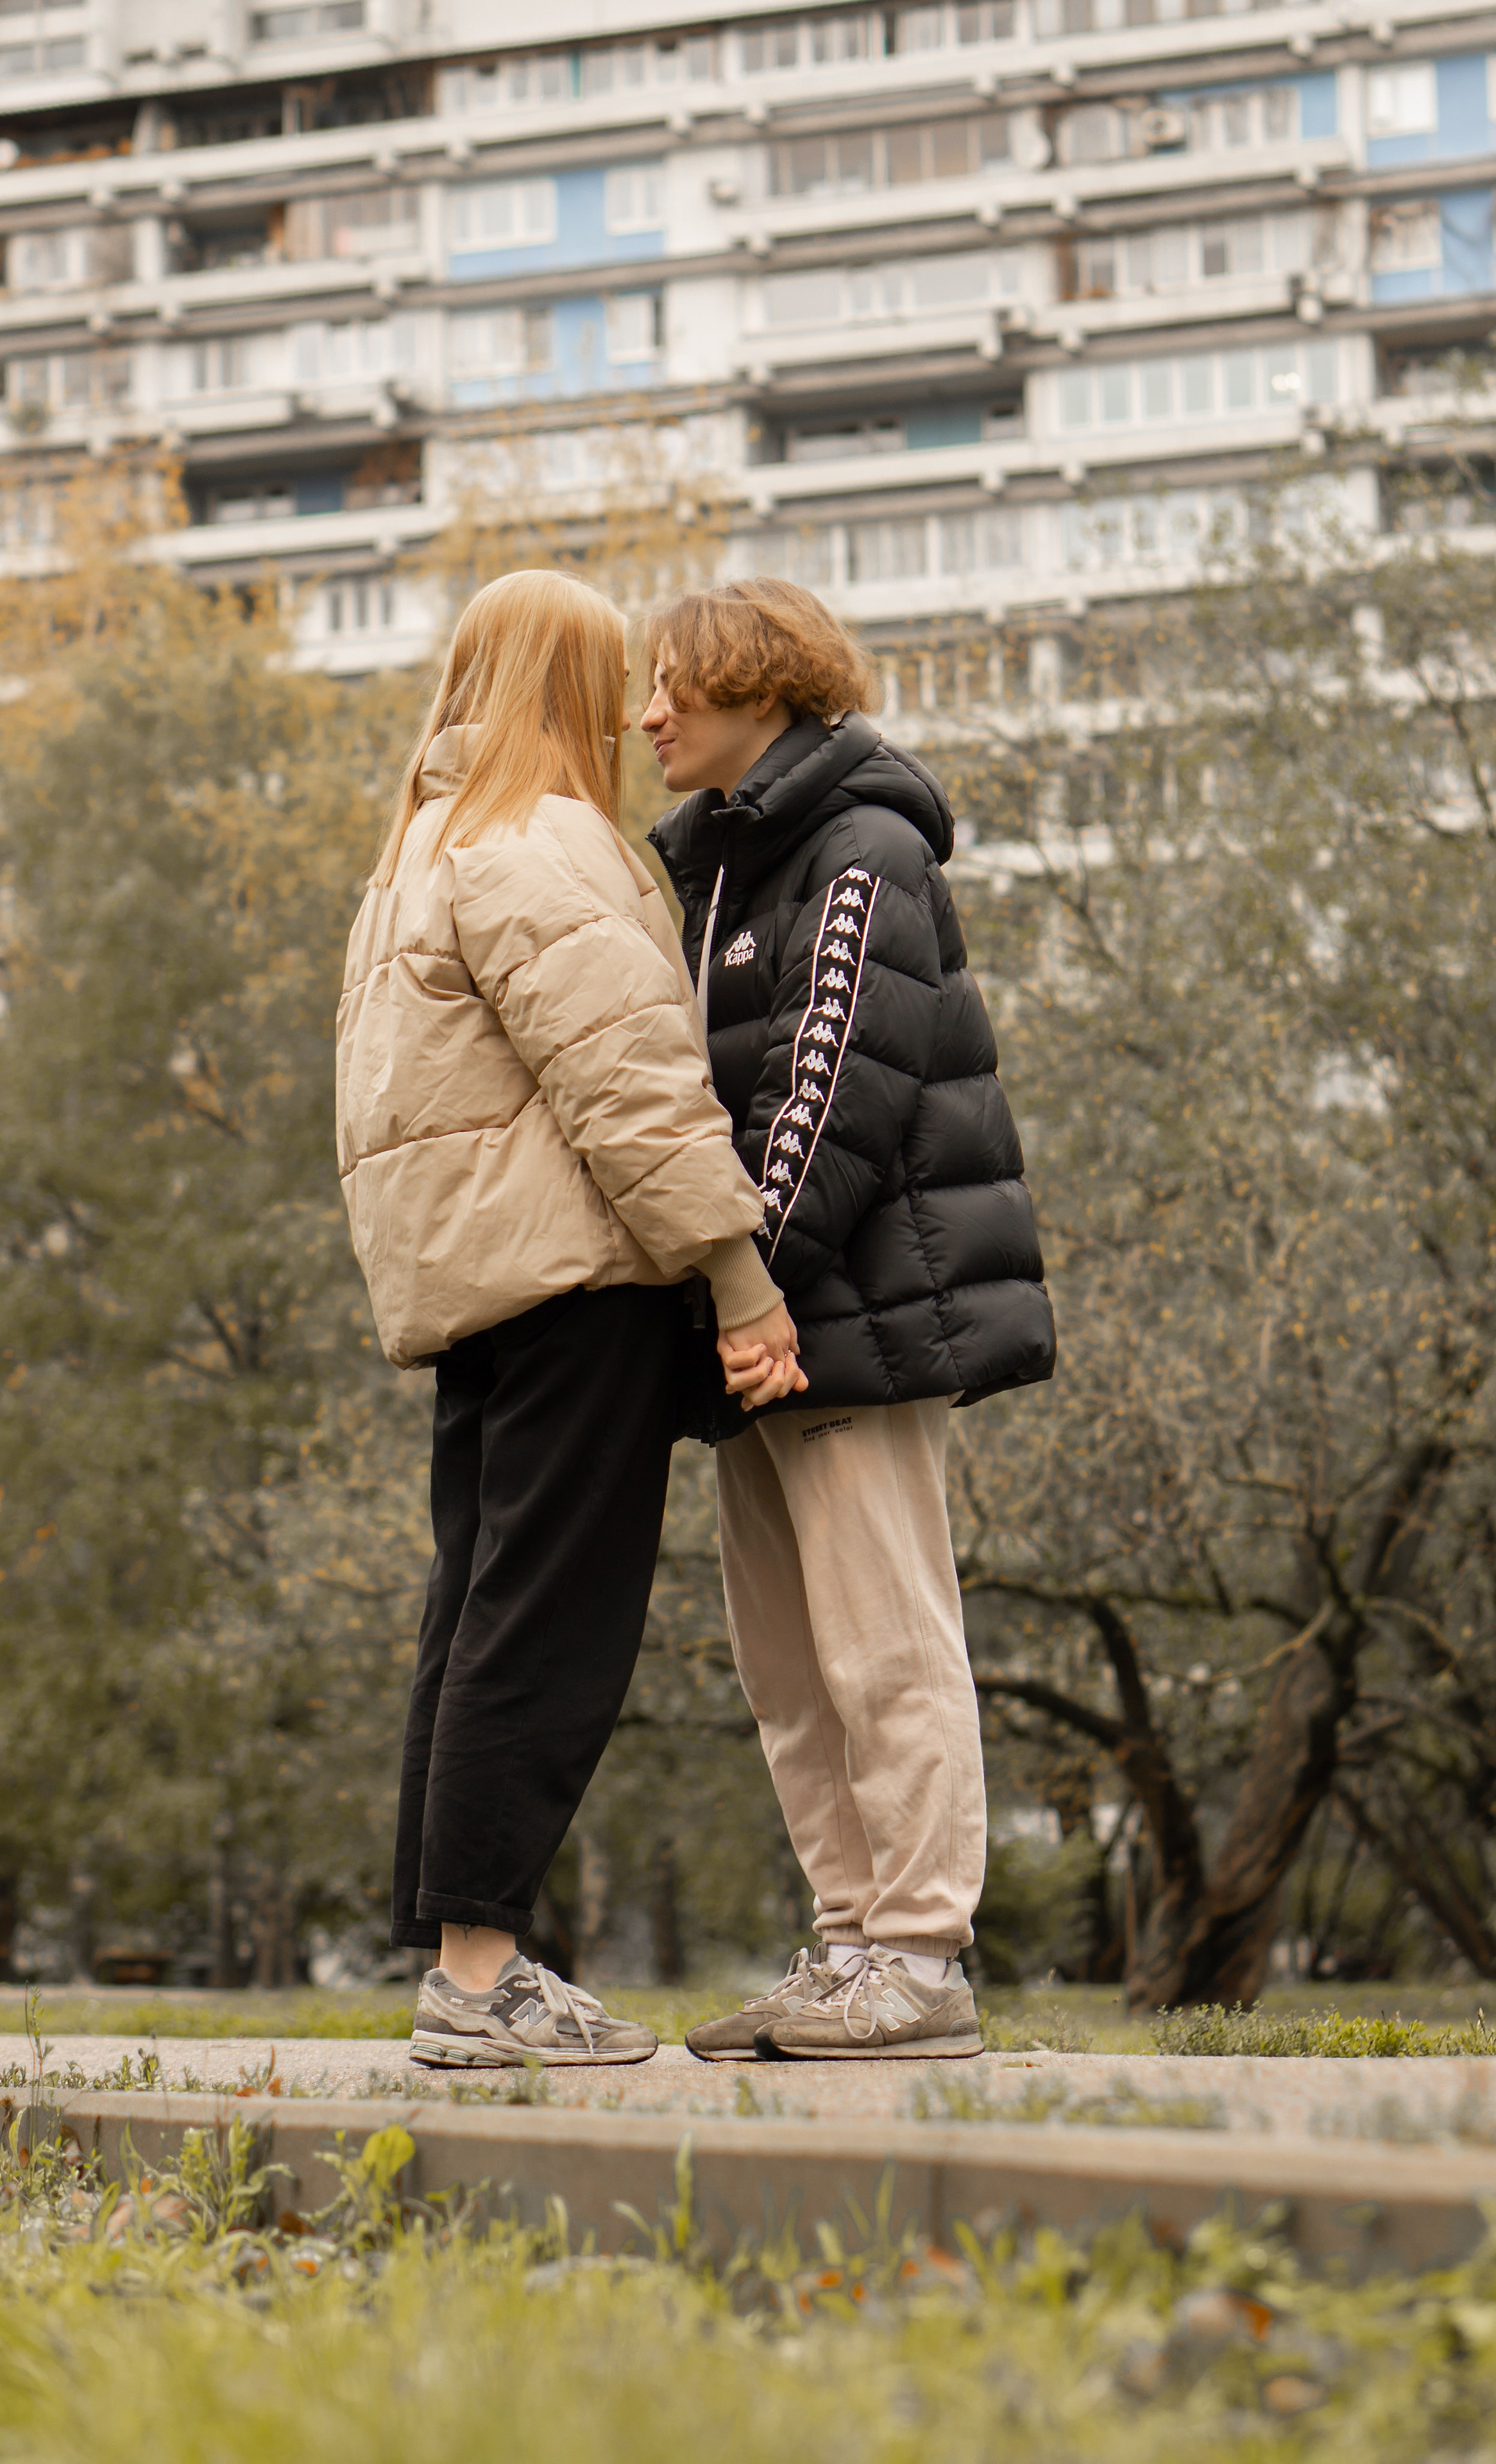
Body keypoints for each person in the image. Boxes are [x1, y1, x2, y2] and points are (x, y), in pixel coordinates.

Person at [336, 568, 804, 2069]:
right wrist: (735, 1270)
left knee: (475, 1610)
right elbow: (631, 1084)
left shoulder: (415, 850)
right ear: (567, 686)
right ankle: (482, 1979)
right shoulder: (541, 843)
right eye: (613, 678)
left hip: (472, 1295)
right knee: (547, 1625)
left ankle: (469, 1966)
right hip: (577, 1285)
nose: (630, 709)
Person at [642, 578, 1055, 2061]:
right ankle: (843, 1947)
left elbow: (833, 1089)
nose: (647, 716)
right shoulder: (723, 869)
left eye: (672, 686)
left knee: (883, 1640)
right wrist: (720, 1309)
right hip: (759, 1325)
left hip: (845, 1316)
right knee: (786, 1661)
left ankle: (920, 1954)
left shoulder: (860, 848)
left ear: (758, 686)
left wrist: (748, 1289)